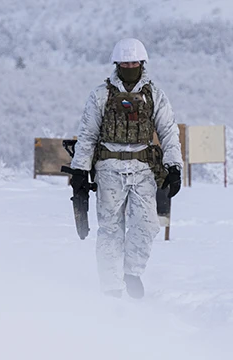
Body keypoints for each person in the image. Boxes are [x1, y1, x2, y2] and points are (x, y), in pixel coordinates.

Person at [69, 38, 183, 299]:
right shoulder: (100, 95)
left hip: (143, 170)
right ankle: (110, 286)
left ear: (141, 63)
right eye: (124, 62)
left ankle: (132, 272)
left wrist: (174, 166)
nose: (129, 66)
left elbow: (168, 132)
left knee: (147, 225)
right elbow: (87, 135)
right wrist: (79, 171)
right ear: (117, 64)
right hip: (109, 168)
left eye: (133, 62)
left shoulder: (154, 95)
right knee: (110, 229)